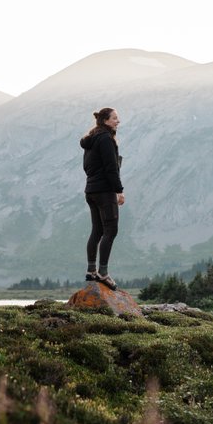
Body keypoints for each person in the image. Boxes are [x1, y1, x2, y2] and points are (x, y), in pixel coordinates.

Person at [80, 107, 124, 290]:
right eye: (115, 118)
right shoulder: (106, 139)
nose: (118, 121)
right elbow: (111, 168)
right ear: (106, 120)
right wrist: (118, 190)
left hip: (91, 190)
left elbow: (87, 167)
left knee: (97, 230)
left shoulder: (91, 140)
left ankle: (91, 270)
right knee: (110, 230)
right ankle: (103, 273)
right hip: (104, 192)